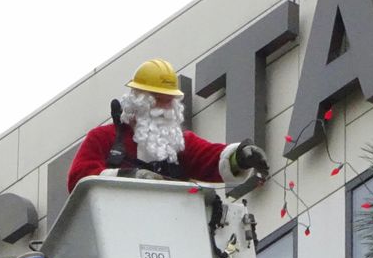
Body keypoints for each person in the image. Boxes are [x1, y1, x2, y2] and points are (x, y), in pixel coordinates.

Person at [67, 58, 269, 191]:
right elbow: (79, 179)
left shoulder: (179, 144)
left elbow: (212, 158)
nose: (164, 107)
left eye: (168, 100)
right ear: (138, 100)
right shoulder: (103, 139)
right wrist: (129, 177)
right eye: (158, 99)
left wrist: (240, 157)